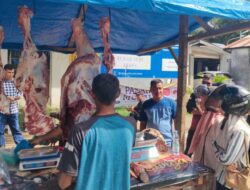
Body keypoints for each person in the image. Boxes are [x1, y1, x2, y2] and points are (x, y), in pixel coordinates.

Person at [57, 73, 135, 190]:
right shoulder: (131, 125)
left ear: (92, 94)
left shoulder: (80, 131)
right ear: (118, 93)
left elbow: (64, 182)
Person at [211, 84, 250, 190]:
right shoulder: (226, 123)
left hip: (233, 183)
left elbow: (226, 159)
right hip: (221, 178)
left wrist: (216, 148)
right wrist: (218, 150)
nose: (220, 105)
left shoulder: (240, 130)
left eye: (223, 101)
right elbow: (213, 143)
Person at [140, 79, 176, 147]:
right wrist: (142, 138)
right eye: (155, 89)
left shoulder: (171, 103)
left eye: (160, 88)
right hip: (151, 141)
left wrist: (176, 138)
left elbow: (177, 121)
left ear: (163, 89)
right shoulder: (146, 104)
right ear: (150, 90)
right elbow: (143, 123)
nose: (158, 91)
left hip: (167, 141)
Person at [184, 74, 213, 156]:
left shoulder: (214, 96)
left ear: (212, 83)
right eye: (204, 82)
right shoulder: (195, 94)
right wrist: (203, 111)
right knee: (188, 153)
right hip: (194, 128)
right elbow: (190, 109)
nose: (205, 85)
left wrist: (200, 110)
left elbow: (213, 112)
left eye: (208, 83)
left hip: (207, 130)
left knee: (205, 155)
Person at [0, 64, 24, 147]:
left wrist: (14, 98)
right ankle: (1, 149)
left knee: (16, 130)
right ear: (4, 72)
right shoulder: (0, 82)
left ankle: (21, 148)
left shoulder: (16, 82)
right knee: (0, 131)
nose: (11, 74)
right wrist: (5, 98)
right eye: (8, 72)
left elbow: (20, 94)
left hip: (13, 111)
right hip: (1, 111)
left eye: (12, 72)